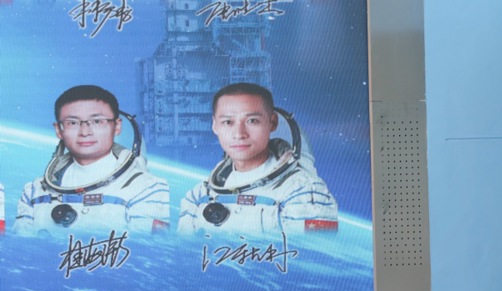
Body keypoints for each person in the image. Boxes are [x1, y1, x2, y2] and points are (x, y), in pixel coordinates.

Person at [178, 82, 338, 237]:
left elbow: (315, 252)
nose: (239, 134)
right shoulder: (199, 196)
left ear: (273, 122)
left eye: (252, 121)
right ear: (215, 126)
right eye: (228, 122)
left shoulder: (303, 192)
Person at [14, 85, 169, 236]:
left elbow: (145, 249)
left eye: (97, 121)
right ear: (59, 130)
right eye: (73, 123)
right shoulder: (34, 192)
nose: (85, 132)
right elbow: (23, 247)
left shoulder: (146, 188)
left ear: (116, 126)